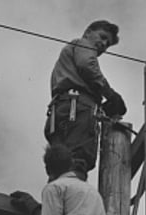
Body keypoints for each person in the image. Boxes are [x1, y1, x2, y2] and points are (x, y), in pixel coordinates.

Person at [45, 20, 128, 177]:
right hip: (76, 109)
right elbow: (87, 66)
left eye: (107, 43)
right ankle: (73, 198)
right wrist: (110, 94)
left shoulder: (68, 58)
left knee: (59, 166)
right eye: (102, 37)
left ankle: (57, 197)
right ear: (88, 32)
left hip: (61, 110)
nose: (104, 44)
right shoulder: (82, 44)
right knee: (78, 160)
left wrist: (103, 107)